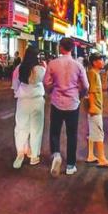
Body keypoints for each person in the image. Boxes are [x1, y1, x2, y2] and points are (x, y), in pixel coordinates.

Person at [44, 37, 89, 177]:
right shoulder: (78, 65)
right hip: (73, 103)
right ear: (72, 48)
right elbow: (86, 86)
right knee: (72, 134)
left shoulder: (53, 63)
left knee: (55, 131)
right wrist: (79, 95)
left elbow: (46, 82)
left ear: (61, 48)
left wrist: (52, 91)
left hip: (57, 102)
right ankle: (70, 165)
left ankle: (56, 154)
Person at [12, 46, 46, 168]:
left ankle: (20, 153)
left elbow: (15, 85)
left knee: (21, 127)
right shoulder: (40, 69)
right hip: (37, 100)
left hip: (22, 101)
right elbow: (46, 82)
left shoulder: (19, 68)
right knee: (36, 129)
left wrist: (19, 93)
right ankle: (34, 156)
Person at [85, 54, 108, 168]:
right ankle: (102, 159)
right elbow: (91, 92)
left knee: (93, 131)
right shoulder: (93, 74)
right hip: (95, 108)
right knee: (98, 132)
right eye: (101, 60)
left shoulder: (94, 73)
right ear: (94, 62)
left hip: (94, 107)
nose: (103, 62)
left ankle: (91, 155)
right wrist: (93, 106)